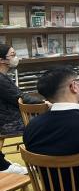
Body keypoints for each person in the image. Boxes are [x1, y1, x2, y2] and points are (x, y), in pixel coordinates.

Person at [0, 44, 46, 177]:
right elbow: (20, 97)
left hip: (10, 115)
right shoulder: (1, 79)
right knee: (42, 124)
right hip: (7, 122)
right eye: (12, 55)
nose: (16, 58)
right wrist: (44, 102)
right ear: (1, 60)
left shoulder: (3, 76)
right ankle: (40, 160)